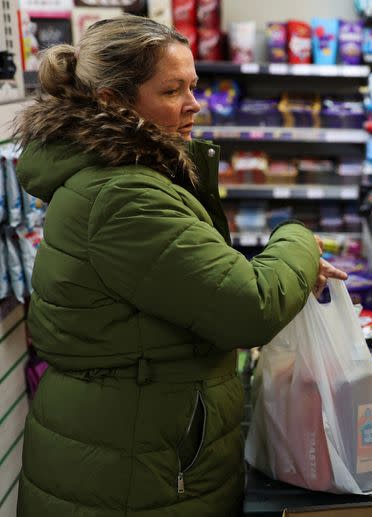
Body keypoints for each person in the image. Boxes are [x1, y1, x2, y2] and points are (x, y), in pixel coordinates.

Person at [13, 15, 345, 516]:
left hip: (135, 450)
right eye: (172, 91)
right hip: (133, 474)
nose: (194, 104)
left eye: (193, 86)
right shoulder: (122, 195)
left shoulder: (126, 176)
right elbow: (248, 307)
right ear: (113, 103)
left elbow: (194, 280)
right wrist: (297, 238)